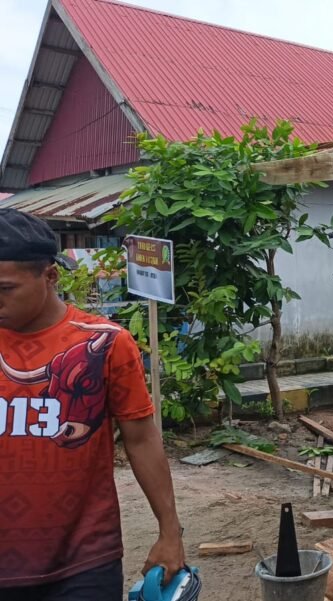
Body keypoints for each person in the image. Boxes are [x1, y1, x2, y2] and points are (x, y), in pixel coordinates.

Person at [0, 208, 185, 599]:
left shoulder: (103, 344)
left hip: (84, 562)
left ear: (49, 276)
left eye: (4, 288)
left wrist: (170, 532)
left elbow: (140, 438)